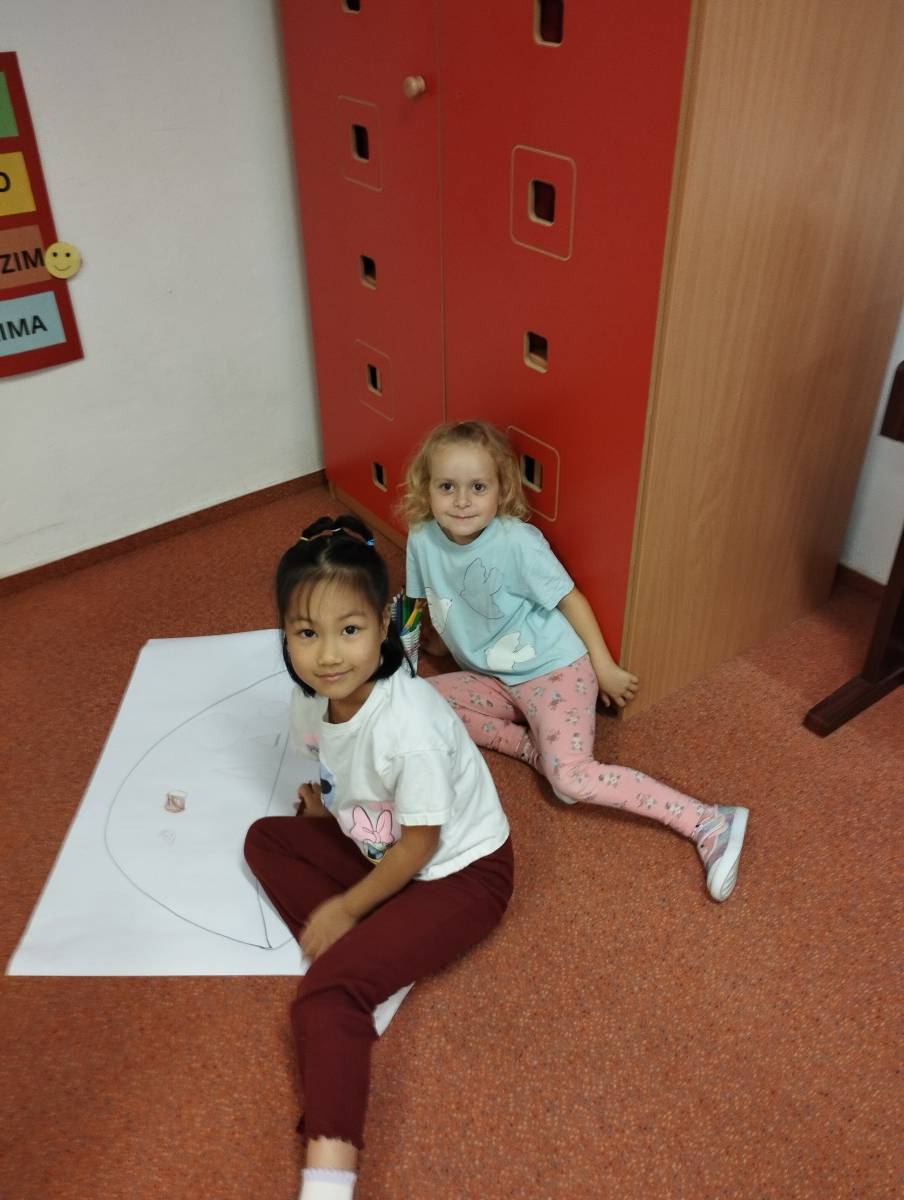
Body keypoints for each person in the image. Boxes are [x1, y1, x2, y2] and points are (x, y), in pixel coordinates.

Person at [244, 515, 513, 1200]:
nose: (328, 654)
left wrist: (345, 908)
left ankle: (329, 1183)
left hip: (461, 875)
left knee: (325, 998)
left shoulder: (409, 723)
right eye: (307, 633)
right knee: (265, 839)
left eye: (350, 629)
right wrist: (326, 815)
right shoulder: (314, 701)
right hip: (387, 854)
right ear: (284, 635)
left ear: (383, 626)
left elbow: (421, 844)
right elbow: (350, 776)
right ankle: (377, 958)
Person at [401, 420, 748, 903]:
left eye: (477, 487)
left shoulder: (517, 542)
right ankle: (536, 751)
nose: (461, 501)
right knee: (415, 701)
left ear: (501, 490)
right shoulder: (422, 537)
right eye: (447, 487)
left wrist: (603, 668)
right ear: (427, 489)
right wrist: (415, 663)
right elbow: (416, 604)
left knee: (570, 777)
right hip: (493, 676)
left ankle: (709, 820)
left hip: (553, 669)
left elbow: (571, 600)